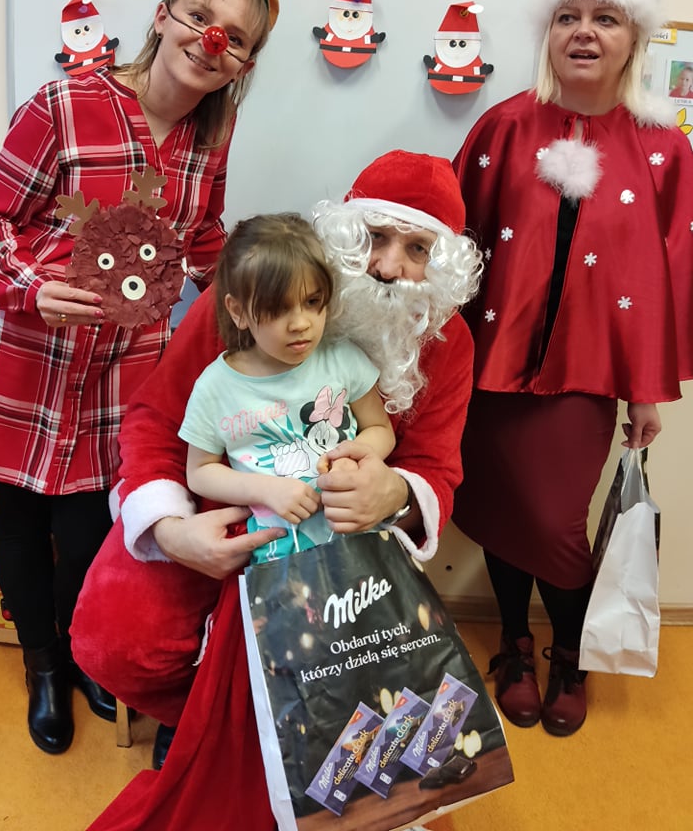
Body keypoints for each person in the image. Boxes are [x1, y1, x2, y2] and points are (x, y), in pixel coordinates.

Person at [70, 149, 482, 828]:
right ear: (345, 233)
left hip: (344, 548)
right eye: (375, 236)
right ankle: (201, 723)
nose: (387, 267)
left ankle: (251, 741)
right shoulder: (256, 292)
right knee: (117, 638)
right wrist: (171, 530)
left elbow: (436, 466)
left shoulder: (449, 340)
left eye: (417, 249)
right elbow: (157, 417)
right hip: (221, 513)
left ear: (442, 265)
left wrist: (395, 495)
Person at [0, 0, 273, 755]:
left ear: (242, 64)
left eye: (236, 38)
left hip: (123, 365)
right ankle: (42, 665)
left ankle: (80, 655)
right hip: (31, 352)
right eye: (200, 17)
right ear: (163, 17)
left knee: (88, 529)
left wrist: (258, 291)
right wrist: (31, 286)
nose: (212, 40)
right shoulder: (63, 105)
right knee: (21, 520)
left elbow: (201, 236)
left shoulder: (213, 136)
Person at [452, 0, 693, 739]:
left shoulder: (664, 150)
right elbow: (455, 245)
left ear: (635, 38)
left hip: (586, 373)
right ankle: (515, 646)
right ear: (548, 32)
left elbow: (669, 273)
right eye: (568, 16)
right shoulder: (504, 124)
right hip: (490, 365)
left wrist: (648, 388)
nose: (584, 32)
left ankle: (571, 654)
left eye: (605, 18)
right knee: (499, 507)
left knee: (556, 522)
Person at [180, 211, 395, 562]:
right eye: (278, 308)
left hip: (358, 543)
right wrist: (265, 489)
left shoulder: (343, 359)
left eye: (312, 302)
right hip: (280, 558)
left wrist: (354, 458)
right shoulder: (215, 387)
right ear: (238, 311)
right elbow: (200, 473)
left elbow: (380, 429)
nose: (300, 324)